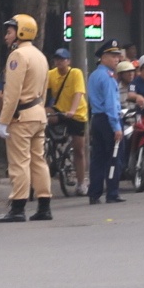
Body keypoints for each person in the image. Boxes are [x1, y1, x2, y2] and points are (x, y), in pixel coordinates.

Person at [0, 13, 52, 223]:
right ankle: (44, 206)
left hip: (22, 117)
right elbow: (44, 89)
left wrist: (3, 120)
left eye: (9, 32)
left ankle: (18, 207)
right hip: (38, 114)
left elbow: (12, 93)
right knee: (39, 160)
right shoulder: (40, 55)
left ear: (20, 33)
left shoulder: (18, 56)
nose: (6, 37)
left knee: (19, 162)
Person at [85, 41, 125, 205]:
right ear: (103, 58)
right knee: (114, 157)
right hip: (109, 119)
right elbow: (110, 105)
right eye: (113, 56)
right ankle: (112, 192)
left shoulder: (94, 75)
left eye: (117, 56)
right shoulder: (108, 78)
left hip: (97, 118)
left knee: (98, 158)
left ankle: (94, 192)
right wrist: (116, 127)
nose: (117, 59)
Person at [47, 47, 89, 191]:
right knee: (42, 115)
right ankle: (46, 147)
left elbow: (78, 93)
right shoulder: (51, 74)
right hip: (59, 110)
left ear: (68, 61)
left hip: (76, 113)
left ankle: (81, 183)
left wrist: (72, 110)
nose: (59, 62)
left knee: (79, 150)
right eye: (57, 59)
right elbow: (40, 91)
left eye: (62, 59)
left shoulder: (75, 73)